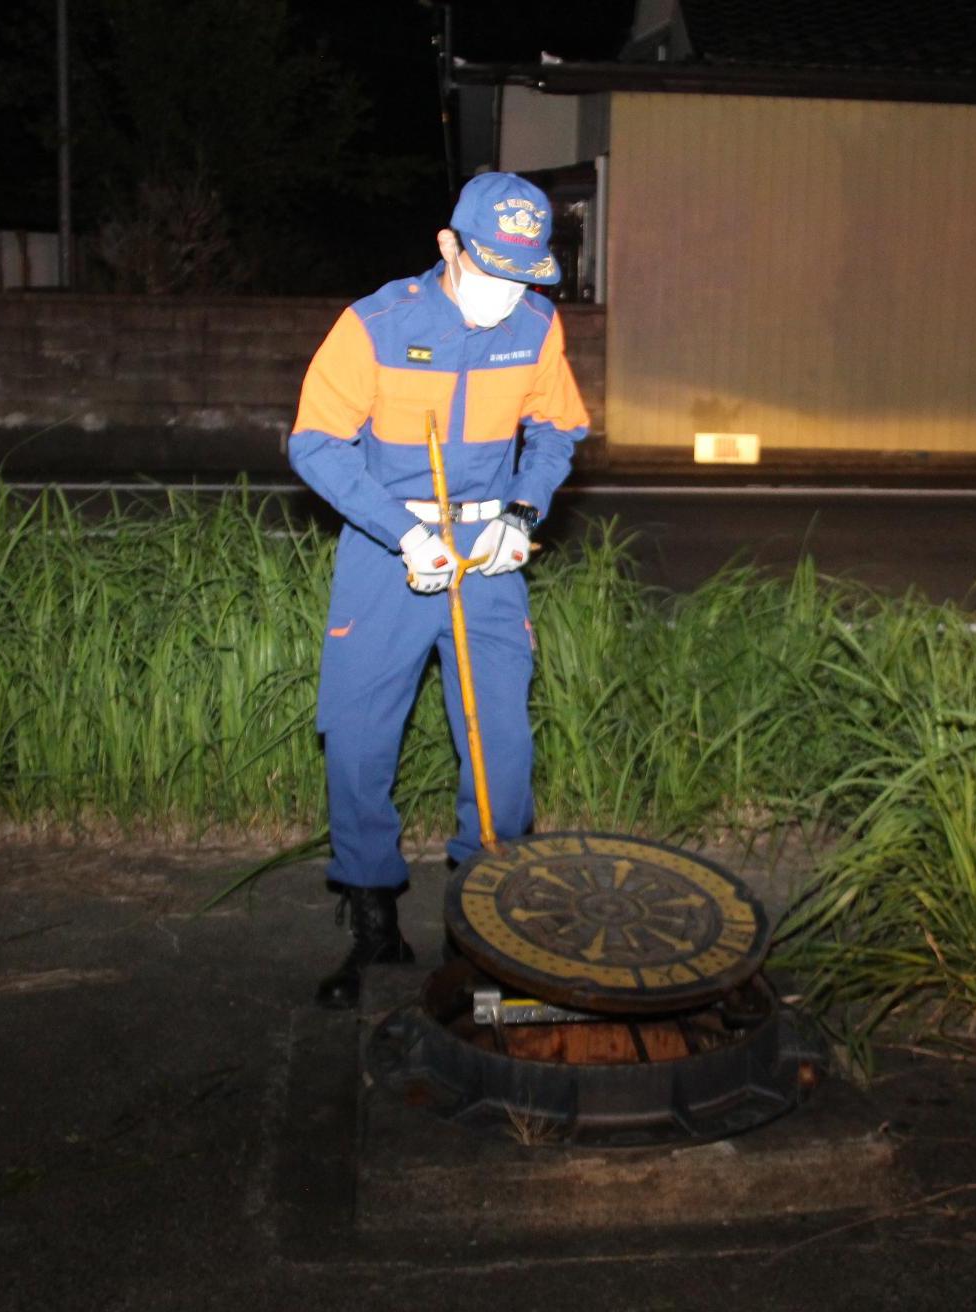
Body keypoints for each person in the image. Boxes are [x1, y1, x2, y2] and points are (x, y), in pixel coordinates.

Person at [288, 171, 589, 1009]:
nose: (505, 297)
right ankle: (375, 928)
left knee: (501, 747)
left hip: (489, 556)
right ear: (449, 246)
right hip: (390, 552)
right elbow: (314, 444)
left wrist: (522, 514)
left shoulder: (533, 322)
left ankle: (483, 937)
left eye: (523, 276)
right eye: (490, 272)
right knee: (355, 738)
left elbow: (559, 429)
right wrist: (405, 530)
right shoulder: (375, 324)